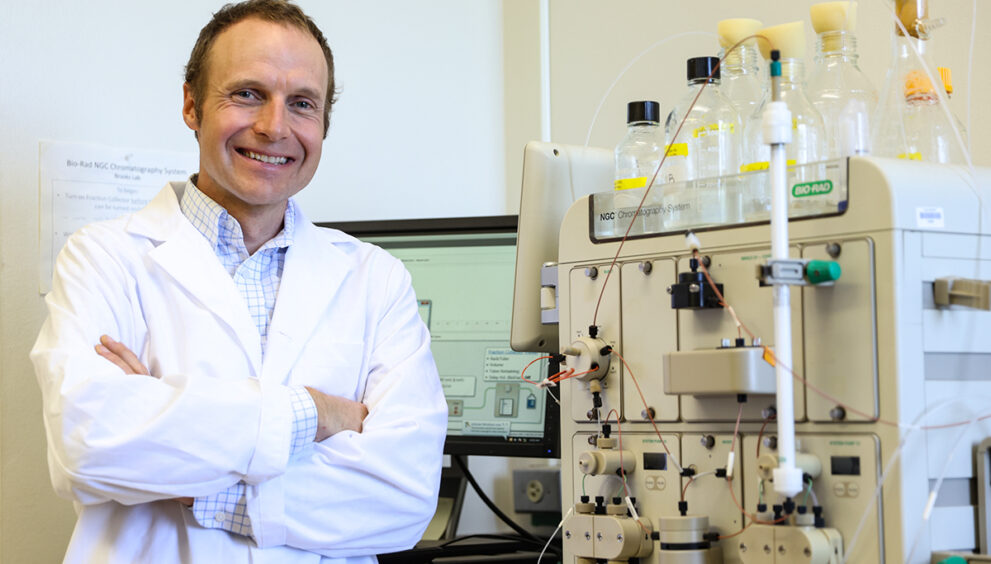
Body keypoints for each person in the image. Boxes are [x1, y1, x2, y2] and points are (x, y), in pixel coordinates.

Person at [30, 1, 448, 562]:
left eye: (302, 103)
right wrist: (317, 414)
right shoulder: (104, 258)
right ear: (191, 104)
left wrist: (185, 474)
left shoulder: (375, 280)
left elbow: (403, 498)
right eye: (248, 93)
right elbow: (90, 445)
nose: (275, 127)